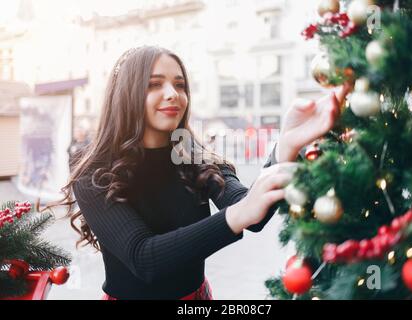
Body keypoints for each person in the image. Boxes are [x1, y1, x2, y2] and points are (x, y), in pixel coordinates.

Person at [54, 46, 349, 300]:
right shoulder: (94, 170)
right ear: (126, 95)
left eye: (180, 85)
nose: (173, 94)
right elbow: (145, 259)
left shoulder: (188, 151)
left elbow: (250, 211)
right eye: (154, 84)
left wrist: (286, 144)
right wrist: (240, 213)